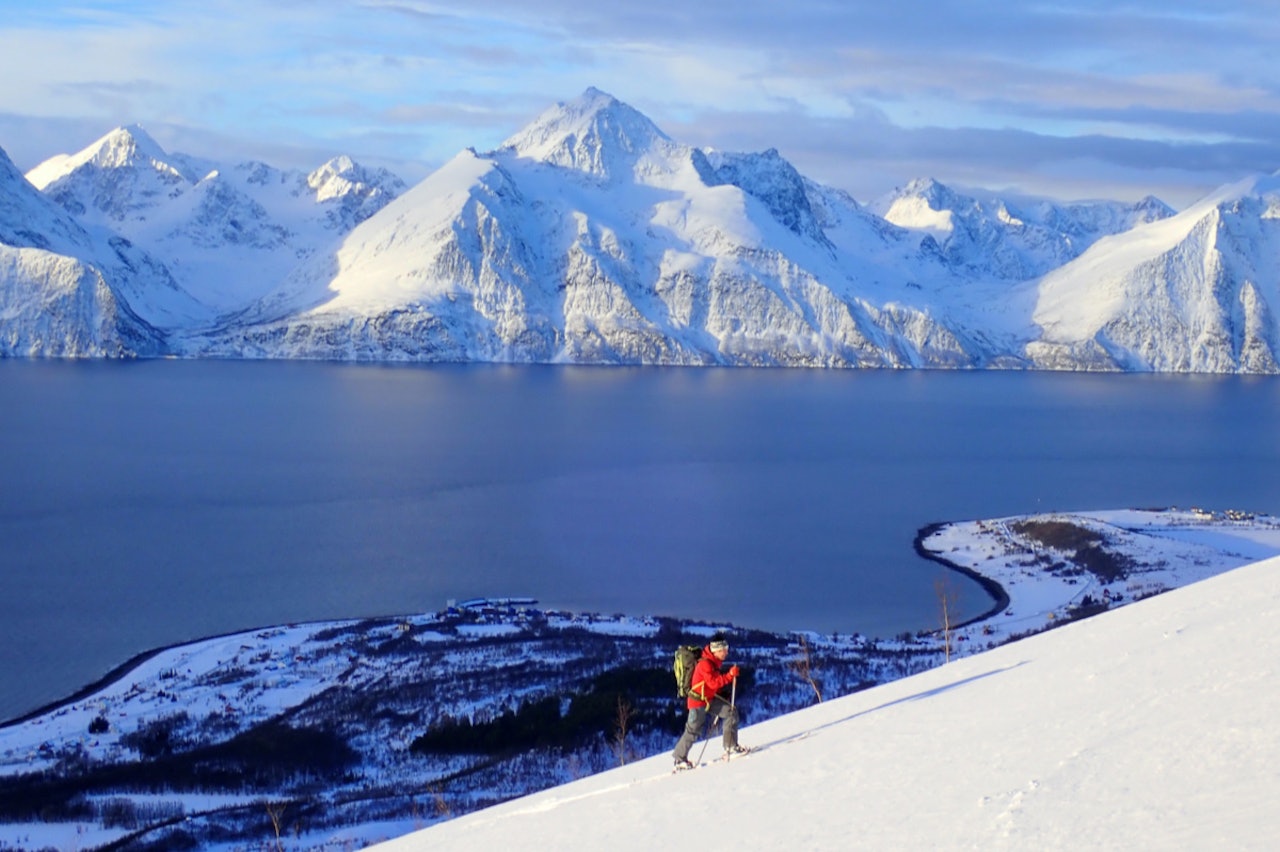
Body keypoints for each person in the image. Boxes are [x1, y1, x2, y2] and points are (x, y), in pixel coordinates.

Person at [673, 633, 747, 769]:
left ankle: (730, 746)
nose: (726, 652)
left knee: (731, 712)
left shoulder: (713, 662)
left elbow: (709, 684)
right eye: (724, 650)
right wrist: (730, 675)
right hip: (697, 702)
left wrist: (721, 693)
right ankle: (679, 759)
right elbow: (713, 683)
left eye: (726, 649)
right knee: (693, 730)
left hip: (708, 698)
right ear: (716, 651)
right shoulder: (705, 664)